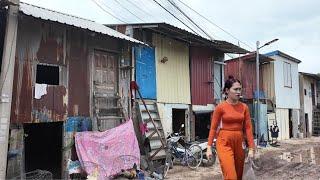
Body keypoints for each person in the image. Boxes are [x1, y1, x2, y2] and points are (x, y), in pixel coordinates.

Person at [206, 76, 255, 180]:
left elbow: (248, 128)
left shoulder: (244, 107)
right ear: (227, 90)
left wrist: (251, 148)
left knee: (238, 175)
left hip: (239, 143)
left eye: (240, 89)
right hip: (224, 142)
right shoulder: (220, 107)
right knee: (231, 176)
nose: (238, 92)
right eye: (235, 89)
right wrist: (209, 147)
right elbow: (213, 128)